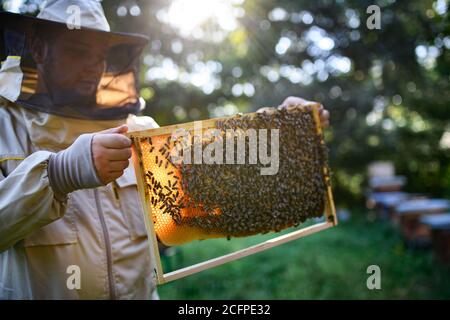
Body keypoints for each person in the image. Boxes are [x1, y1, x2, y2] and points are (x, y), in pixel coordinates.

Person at [0, 0, 329, 299]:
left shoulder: (141, 132)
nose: (92, 67)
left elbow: (209, 189)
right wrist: (58, 174)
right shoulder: (5, 127)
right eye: (77, 51)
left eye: (99, 56)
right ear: (40, 50)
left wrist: (283, 132)